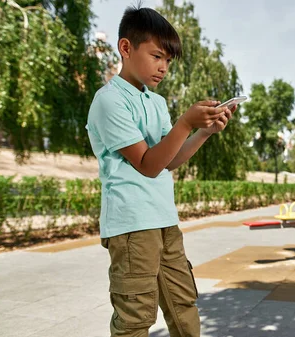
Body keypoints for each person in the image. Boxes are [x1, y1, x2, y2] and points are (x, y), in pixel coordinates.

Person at [86, 6, 234, 336]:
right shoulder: (109, 101)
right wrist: (185, 123)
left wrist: (204, 131)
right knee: (135, 318)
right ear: (126, 48)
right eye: (156, 56)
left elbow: (170, 159)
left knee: (183, 305)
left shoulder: (156, 102)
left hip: (165, 220)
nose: (163, 67)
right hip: (131, 226)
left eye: (168, 60)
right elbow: (148, 165)